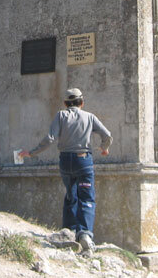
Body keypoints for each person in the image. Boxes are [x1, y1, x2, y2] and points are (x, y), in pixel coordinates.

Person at [19, 88, 112, 254]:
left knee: (71, 195)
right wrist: (104, 148)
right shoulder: (89, 117)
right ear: (82, 103)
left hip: (65, 161)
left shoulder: (60, 116)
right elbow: (107, 134)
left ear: (65, 103)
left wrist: (31, 153)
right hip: (83, 160)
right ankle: (85, 234)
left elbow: (50, 138)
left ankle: (68, 232)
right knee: (86, 196)